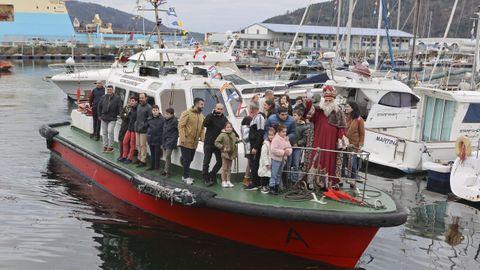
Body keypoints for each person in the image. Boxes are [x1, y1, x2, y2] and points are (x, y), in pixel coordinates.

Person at [307, 85, 347, 185]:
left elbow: (342, 127)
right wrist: (308, 101)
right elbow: (310, 116)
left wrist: (341, 137)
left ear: (334, 100)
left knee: (330, 159)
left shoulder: (338, 112)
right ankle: (314, 180)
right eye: (326, 100)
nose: (328, 102)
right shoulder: (318, 111)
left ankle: (329, 181)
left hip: (331, 142)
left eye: (330, 100)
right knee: (316, 157)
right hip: (319, 140)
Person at [203, 103, 237, 186]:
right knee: (206, 161)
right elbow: (205, 124)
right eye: (218, 109)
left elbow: (229, 127)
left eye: (221, 109)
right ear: (215, 108)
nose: (219, 110)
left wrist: (236, 136)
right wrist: (212, 114)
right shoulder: (210, 116)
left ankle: (212, 174)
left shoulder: (223, 118)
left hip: (218, 144)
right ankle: (206, 178)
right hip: (209, 143)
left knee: (220, 161)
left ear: (223, 110)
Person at [178, 97, 205, 185]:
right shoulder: (187, 113)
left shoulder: (201, 116)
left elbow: (202, 128)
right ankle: (185, 177)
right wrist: (182, 138)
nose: (203, 106)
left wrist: (202, 137)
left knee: (190, 159)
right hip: (185, 141)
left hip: (194, 142)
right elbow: (181, 126)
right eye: (201, 104)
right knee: (187, 159)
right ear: (196, 104)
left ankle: (185, 173)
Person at [342, 101, 365, 181]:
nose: (346, 108)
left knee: (353, 163)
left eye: (348, 107)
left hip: (354, 145)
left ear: (353, 108)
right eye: (346, 106)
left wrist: (360, 145)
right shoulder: (345, 117)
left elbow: (362, 134)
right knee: (342, 161)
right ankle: (342, 178)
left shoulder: (359, 119)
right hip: (344, 143)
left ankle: (353, 179)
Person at [245, 101, 265, 190]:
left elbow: (260, 132)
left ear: (253, 109)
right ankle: (255, 181)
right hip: (252, 144)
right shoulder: (254, 118)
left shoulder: (260, 117)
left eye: (250, 108)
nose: (250, 109)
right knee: (253, 163)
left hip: (256, 145)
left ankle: (256, 183)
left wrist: (256, 147)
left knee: (255, 163)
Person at [97, 85, 122, 153]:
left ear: (113, 90)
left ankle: (111, 147)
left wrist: (120, 115)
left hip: (112, 118)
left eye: (110, 89)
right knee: (104, 132)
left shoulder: (117, 98)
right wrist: (99, 115)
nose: (109, 91)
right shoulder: (103, 97)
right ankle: (105, 146)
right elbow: (99, 106)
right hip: (104, 117)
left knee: (110, 131)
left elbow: (120, 107)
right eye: (108, 90)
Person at [269, 124, 292, 194]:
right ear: (279, 132)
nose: (285, 133)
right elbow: (273, 150)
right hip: (276, 159)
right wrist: (284, 152)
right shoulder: (275, 140)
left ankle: (276, 187)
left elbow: (289, 147)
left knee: (279, 174)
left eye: (285, 132)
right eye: (283, 132)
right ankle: (272, 187)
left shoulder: (286, 139)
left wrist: (288, 152)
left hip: (282, 159)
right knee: (274, 174)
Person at [214, 122, 238, 188]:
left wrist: (236, 140)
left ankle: (228, 181)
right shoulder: (222, 135)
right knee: (224, 168)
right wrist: (222, 147)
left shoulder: (233, 134)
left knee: (229, 168)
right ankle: (223, 181)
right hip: (225, 153)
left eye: (230, 127)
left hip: (232, 153)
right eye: (227, 127)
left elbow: (234, 142)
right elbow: (216, 142)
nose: (229, 128)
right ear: (225, 128)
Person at [290, 109, 310, 183]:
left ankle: (294, 180)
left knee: (296, 163)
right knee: (288, 164)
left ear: (300, 116)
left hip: (297, 148)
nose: (293, 117)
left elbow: (305, 139)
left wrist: (298, 143)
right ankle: (288, 178)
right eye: (293, 115)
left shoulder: (304, 127)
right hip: (289, 146)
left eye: (295, 115)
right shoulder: (290, 124)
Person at [134, 93, 152, 167]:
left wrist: (144, 126)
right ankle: (139, 158)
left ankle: (143, 160)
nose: (141, 99)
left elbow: (150, 118)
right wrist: (136, 124)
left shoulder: (149, 107)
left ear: (146, 98)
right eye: (140, 98)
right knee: (138, 144)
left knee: (143, 145)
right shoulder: (139, 105)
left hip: (144, 130)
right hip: (137, 128)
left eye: (142, 98)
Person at [117, 96, 136, 161]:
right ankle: (121, 154)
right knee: (120, 139)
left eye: (132, 101)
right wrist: (126, 115)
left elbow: (129, 117)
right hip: (124, 126)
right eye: (130, 101)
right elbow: (122, 115)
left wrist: (126, 115)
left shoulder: (134, 109)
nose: (130, 102)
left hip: (130, 127)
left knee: (129, 142)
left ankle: (127, 156)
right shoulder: (126, 107)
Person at [146, 105, 165, 171]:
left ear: (159, 111)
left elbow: (164, 129)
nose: (155, 112)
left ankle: (157, 167)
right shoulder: (149, 119)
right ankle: (152, 166)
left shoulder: (162, 119)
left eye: (156, 110)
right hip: (151, 138)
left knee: (157, 154)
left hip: (158, 139)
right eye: (153, 110)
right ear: (152, 111)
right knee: (152, 153)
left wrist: (162, 139)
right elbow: (147, 127)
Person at [161, 108, 178, 177]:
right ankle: (165, 171)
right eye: (165, 114)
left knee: (168, 156)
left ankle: (167, 172)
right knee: (166, 156)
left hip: (170, 142)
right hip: (165, 140)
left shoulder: (174, 121)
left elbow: (176, 132)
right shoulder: (165, 120)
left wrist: (171, 141)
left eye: (167, 114)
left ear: (171, 114)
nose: (165, 115)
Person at [259, 127, 275, 194]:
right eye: (269, 135)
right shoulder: (265, 144)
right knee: (264, 174)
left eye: (272, 135)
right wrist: (266, 163)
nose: (270, 136)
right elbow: (264, 155)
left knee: (268, 175)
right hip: (265, 162)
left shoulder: (273, 143)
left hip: (271, 161)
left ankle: (267, 185)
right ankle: (263, 186)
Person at [240, 115, 252, 187]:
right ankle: (246, 178)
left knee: (249, 164)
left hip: (247, 149)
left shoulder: (243, 128)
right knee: (249, 164)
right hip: (248, 149)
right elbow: (245, 138)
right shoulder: (246, 128)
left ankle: (246, 178)